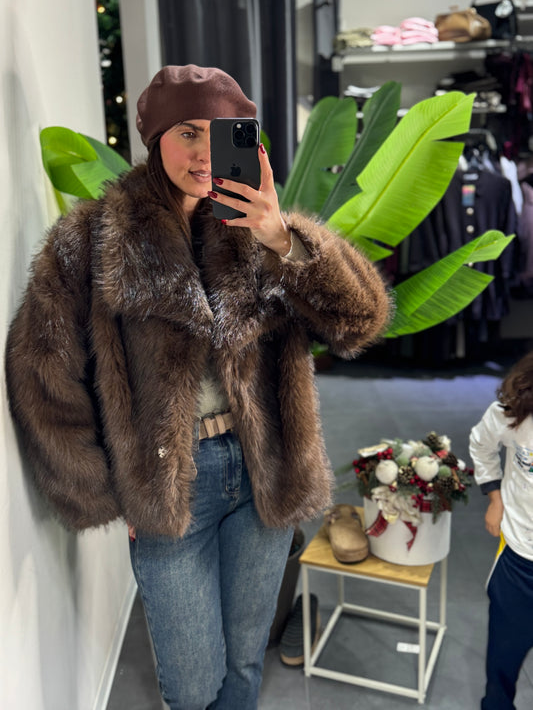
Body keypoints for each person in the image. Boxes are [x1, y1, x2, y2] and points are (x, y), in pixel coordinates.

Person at [5, 64, 390, 710]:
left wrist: (281, 238)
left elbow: (360, 321)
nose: (205, 154)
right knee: (189, 682)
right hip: (171, 481)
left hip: (265, 467)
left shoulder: (262, 231)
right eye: (187, 132)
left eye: (222, 134)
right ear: (155, 136)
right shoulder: (91, 239)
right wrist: (107, 488)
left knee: (243, 658)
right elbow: (42, 374)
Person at [469, 350, 533, 710]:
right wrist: (494, 497)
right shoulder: (514, 413)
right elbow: (481, 444)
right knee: (503, 661)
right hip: (520, 560)